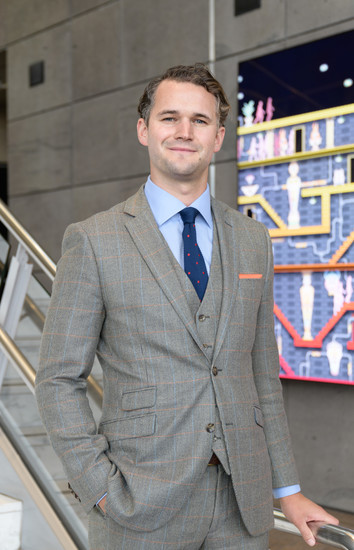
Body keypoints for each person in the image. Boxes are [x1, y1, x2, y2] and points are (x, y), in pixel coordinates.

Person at [35, 64, 338, 550]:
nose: (183, 131)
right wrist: (99, 488)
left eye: (200, 120)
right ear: (144, 130)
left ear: (218, 137)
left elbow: (261, 373)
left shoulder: (253, 239)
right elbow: (57, 379)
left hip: (242, 504)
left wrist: (289, 489)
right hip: (138, 503)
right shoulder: (94, 241)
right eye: (169, 117)